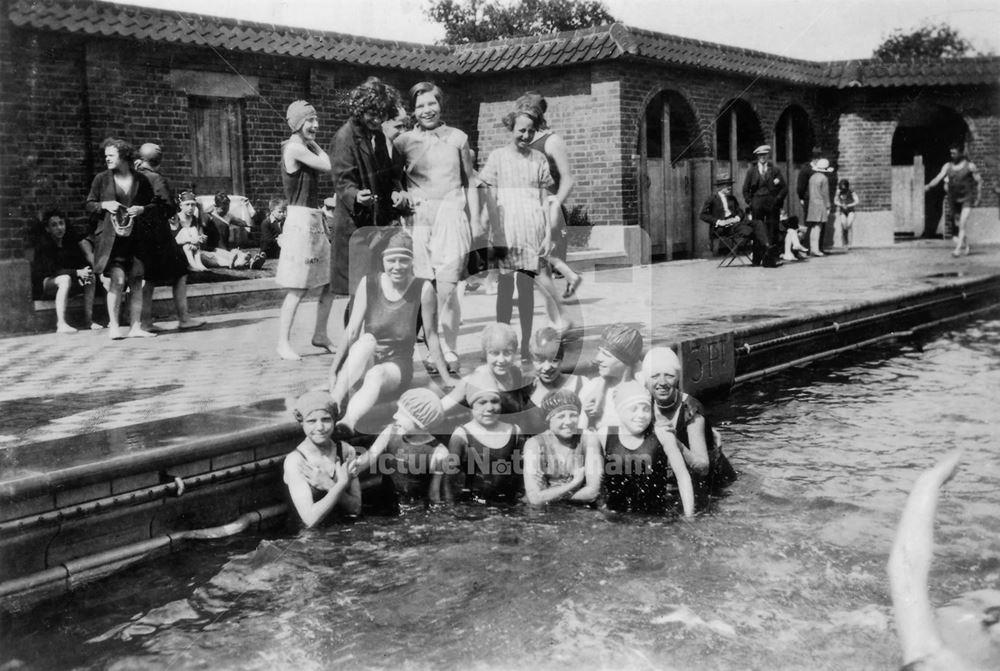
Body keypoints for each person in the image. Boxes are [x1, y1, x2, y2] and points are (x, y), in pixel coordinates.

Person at [327, 230, 456, 433]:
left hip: (395, 367)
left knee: (376, 374)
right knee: (366, 339)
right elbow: (352, 331)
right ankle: (333, 402)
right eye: (391, 260)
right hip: (362, 362)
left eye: (403, 260)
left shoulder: (423, 289)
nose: (397, 267)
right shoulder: (368, 283)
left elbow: (431, 336)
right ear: (383, 260)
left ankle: (348, 422)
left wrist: (446, 378)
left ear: (412, 261)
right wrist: (334, 369)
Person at [393, 82, 479, 375]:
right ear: (412, 111)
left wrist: (477, 220)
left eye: (432, 103)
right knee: (423, 287)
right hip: (420, 220)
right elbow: (395, 182)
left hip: (452, 216)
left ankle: (448, 346)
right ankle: (431, 348)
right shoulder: (403, 142)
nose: (426, 110)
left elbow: (471, 183)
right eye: (420, 106)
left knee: (450, 287)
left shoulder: (458, 138)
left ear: (441, 105)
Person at [889, 450, 1000, 671]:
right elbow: (904, 572)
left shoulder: (929, 657)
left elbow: (905, 570)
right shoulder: (930, 657)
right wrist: (929, 480)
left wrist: (929, 481)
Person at [479, 104, 558, 358]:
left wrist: (548, 233)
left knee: (525, 286)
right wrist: (495, 229)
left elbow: (545, 199)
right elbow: (489, 197)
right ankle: (502, 341)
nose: (525, 136)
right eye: (521, 130)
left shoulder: (539, 160)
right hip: (505, 227)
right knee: (504, 286)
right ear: (510, 129)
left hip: (531, 228)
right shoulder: (497, 157)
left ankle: (525, 344)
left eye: (531, 131)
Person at [330, 77, 405, 304]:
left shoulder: (379, 136)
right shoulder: (344, 137)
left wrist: (394, 190)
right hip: (356, 226)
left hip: (376, 224)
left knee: (375, 288)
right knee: (359, 291)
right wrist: (355, 195)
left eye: (381, 114)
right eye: (371, 113)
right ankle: (354, 338)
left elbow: (386, 173)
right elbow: (342, 180)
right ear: (360, 109)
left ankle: (369, 335)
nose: (376, 119)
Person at [85, 137, 163, 340]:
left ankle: (136, 326)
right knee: (117, 281)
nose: (107, 159)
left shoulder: (141, 180)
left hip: (136, 238)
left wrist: (142, 209)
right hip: (111, 240)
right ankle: (114, 326)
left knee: (137, 280)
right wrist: (104, 205)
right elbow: (89, 205)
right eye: (106, 156)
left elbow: (155, 205)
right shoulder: (101, 179)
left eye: (111, 155)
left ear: (124, 157)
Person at [275, 99, 335, 361]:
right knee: (298, 287)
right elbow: (328, 164)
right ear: (297, 123)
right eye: (310, 120)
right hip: (300, 222)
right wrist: (314, 144)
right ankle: (282, 343)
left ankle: (320, 334)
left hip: (313, 219)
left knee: (330, 281)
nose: (315, 125)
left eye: (315, 120)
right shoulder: (294, 148)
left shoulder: (301, 145)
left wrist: (310, 141)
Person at [641, 347, 737, 497]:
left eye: (669, 376)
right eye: (655, 376)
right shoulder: (641, 406)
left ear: (678, 378)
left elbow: (703, 466)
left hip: (713, 482)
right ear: (646, 381)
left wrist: (676, 444)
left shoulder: (691, 410)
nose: (662, 382)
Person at [518, 91, 583, 306]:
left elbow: (568, 179)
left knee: (543, 255)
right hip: (528, 208)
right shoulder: (523, 140)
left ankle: (558, 293)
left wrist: (556, 203)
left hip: (548, 207)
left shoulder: (552, 140)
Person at [133, 142, 204, 332]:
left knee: (149, 278)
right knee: (180, 272)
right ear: (159, 160)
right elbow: (168, 207)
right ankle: (184, 318)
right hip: (159, 236)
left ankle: (145, 322)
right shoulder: (156, 179)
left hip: (140, 234)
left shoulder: (134, 177)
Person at [597, 380, 693, 516]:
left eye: (646, 408)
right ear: (619, 410)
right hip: (615, 516)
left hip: (655, 518)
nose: (641, 415)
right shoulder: (604, 435)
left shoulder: (662, 434)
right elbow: (597, 480)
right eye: (633, 409)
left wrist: (690, 516)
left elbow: (683, 477)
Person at [283, 390, 361, 528]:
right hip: (309, 538)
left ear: (334, 420)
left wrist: (330, 485)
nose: (320, 427)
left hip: (345, 530)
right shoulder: (296, 461)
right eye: (311, 421)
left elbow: (355, 508)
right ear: (302, 423)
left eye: (326, 419)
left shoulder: (346, 451)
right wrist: (340, 485)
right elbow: (310, 519)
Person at [360, 388, 448, 504]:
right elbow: (371, 455)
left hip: (416, 510)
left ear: (420, 423)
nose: (395, 416)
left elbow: (434, 493)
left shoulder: (438, 452)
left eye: (401, 413)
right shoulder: (391, 431)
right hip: (387, 503)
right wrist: (356, 464)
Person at [445, 375, 524, 504]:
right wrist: (451, 509)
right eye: (482, 403)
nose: (489, 408)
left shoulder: (514, 431)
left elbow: (523, 473)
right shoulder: (462, 435)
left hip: (508, 503)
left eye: (494, 401)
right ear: (471, 406)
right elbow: (449, 479)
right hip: (473, 504)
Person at [442, 322, 535, 429]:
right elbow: (441, 407)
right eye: (494, 353)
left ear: (515, 352)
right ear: (485, 353)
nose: (501, 360)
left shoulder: (515, 373)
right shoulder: (476, 379)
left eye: (507, 353)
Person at [522, 389, 602, 505]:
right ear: (548, 419)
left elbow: (593, 492)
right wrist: (574, 483)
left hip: (581, 509)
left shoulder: (588, 439)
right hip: (545, 513)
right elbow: (535, 498)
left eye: (573, 415)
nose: (568, 421)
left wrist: (548, 495)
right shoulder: (534, 445)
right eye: (561, 416)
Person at [31, 209, 102, 333]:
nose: (59, 228)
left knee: (91, 278)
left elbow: (80, 263)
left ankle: (89, 320)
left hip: (68, 281)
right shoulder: (44, 246)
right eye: (54, 225)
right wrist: (77, 273)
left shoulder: (69, 243)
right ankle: (61, 323)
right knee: (65, 279)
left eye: (61, 223)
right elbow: (52, 270)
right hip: (47, 284)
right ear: (47, 229)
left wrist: (84, 271)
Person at [701, 171, 777, 267]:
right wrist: (719, 222)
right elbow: (703, 215)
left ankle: (767, 247)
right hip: (724, 227)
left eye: (730, 185)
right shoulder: (712, 199)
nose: (729, 187)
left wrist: (737, 217)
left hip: (736, 223)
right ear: (720, 187)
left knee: (759, 223)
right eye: (727, 185)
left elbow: (740, 212)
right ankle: (763, 257)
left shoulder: (732, 198)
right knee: (753, 231)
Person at [579, 323, 645, 430]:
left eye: (606, 354)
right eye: (599, 351)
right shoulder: (590, 388)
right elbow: (579, 434)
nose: (597, 358)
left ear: (625, 360)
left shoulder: (643, 387)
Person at [526, 326, 587, 434]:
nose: (547, 367)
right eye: (539, 361)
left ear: (562, 358)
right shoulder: (526, 391)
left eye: (554, 360)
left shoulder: (581, 384)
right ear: (531, 360)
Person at [925, 146, 982, 257]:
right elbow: (938, 178)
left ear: (961, 153)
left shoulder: (970, 166)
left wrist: (978, 197)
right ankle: (966, 245)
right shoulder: (947, 166)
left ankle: (957, 249)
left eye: (954, 153)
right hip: (954, 199)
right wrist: (929, 186)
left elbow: (979, 181)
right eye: (951, 153)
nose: (952, 155)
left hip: (967, 198)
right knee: (959, 224)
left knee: (962, 223)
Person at [173, 192, 253, 270]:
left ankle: (246, 261)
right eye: (187, 204)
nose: (190, 207)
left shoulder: (195, 219)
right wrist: (190, 241)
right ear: (181, 206)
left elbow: (200, 236)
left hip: (197, 250)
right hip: (183, 251)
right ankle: (239, 262)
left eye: (193, 205)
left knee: (219, 255)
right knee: (210, 256)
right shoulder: (176, 219)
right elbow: (173, 239)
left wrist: (201, 238)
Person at [741, 144, 786, 262]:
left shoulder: (775, 170)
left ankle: (771, 258)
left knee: (772, 230)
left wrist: (777, 199)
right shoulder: (752, 171)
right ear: (757, 157)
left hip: (772, 204)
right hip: (757, 204)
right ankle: (757, 258)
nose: (762, 157)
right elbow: (745, 189)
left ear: (768, 155)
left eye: (764, 155)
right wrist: (750, 202)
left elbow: (784, 188)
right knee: (758, 229)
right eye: (760, 155)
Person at [805, 158, 833, 256]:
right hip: (820, 203)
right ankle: (816, 249)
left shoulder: (812, 177)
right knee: (818, 227)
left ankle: (812, 248)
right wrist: (828, 206)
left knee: (813, 227)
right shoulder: (824, 178)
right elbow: (825, 194)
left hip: (812, 203)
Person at [833, 179, 859, 250]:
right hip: (843, 210)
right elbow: (835, 201)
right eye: (842, 187)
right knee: (844, 224)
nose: (843, 188)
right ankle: (844, 243)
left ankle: (849, 243)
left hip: (850, 210)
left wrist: (849, 205)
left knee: (849, 224)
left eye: (844, 187)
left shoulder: (851, 191)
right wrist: (841, 204)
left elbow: (857, 201)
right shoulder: (838, 192)